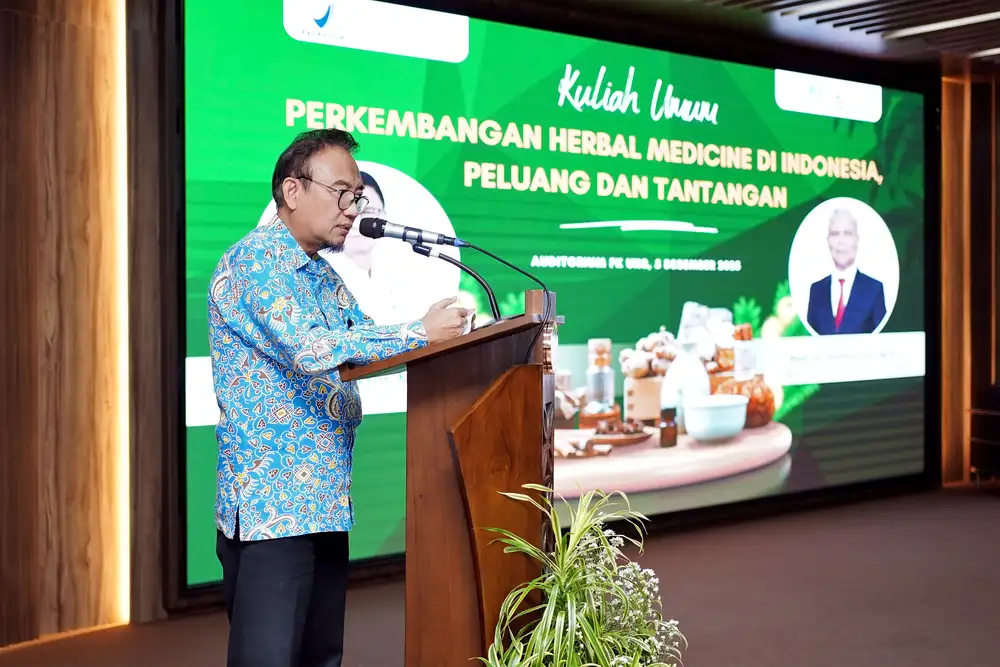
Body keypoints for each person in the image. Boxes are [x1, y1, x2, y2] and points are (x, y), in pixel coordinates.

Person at [207, 128, 472, 667]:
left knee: (321, 657)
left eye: (357, 197)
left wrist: (442, 334)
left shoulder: (323, 276)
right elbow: (310, 348)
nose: (352, 209)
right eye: (342, 194)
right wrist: (419, 332)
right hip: (272, 509)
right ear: (292, 190)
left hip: (325, 501)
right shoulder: (256, 261)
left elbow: (364, 344)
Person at [805, 208, 887, 335]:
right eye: (835, 234)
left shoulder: (874, 288)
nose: (841, 241)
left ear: (857, 240)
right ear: (828, 240)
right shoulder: (816, 290)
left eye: (847, 234)